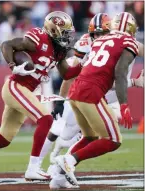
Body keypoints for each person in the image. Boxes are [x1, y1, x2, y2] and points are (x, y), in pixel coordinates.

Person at [0, 11, 82, 182]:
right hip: (15, 86)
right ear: (53, 30)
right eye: (65, 32)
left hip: (25, 90)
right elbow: (7, 44)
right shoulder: (39, 39)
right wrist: (12, 65)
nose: (68, 37)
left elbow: (67, 74)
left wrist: (85, 64)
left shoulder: (59, 51)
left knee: (2, 139)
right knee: (45, 118)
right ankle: (33, 168)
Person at [49, 12, 142, 188]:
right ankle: (69, 160)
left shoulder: (99, 40)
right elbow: (120, 73)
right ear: (131, 29)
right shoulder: (129, 42)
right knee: (113, 139)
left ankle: (58, 178)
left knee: (90, 136)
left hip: (76, 90)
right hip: (91, 92)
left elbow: (80, 68)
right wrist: (124, 105)